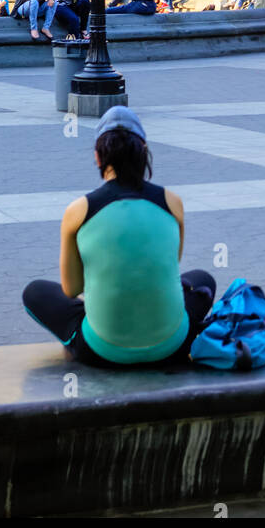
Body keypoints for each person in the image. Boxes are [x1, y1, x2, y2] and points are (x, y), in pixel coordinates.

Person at [22, 106, 217, 367]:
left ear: (98, 157)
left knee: (35, 292)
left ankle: (90, 337)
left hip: (102, 351)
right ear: (144, 152)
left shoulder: (79, 210)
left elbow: (71, 289)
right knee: (203, 280)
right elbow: (172, 263)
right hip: (171, 347)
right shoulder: (172, 202)